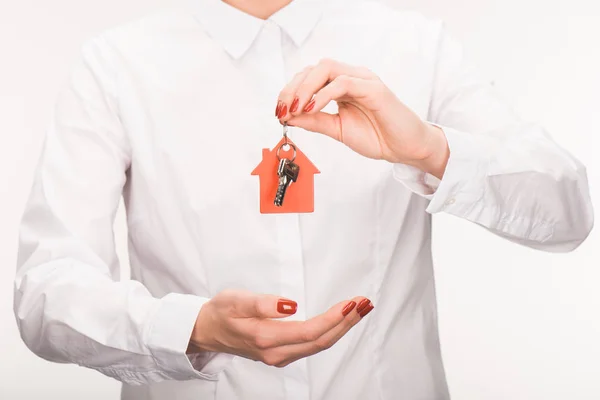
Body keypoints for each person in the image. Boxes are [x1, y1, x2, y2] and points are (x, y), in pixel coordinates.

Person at [14, 0, 594, 399]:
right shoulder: (118, 65)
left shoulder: (413, 45)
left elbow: (567, 211)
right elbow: (47, 291)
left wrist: (430, 149)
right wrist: (192, 326)